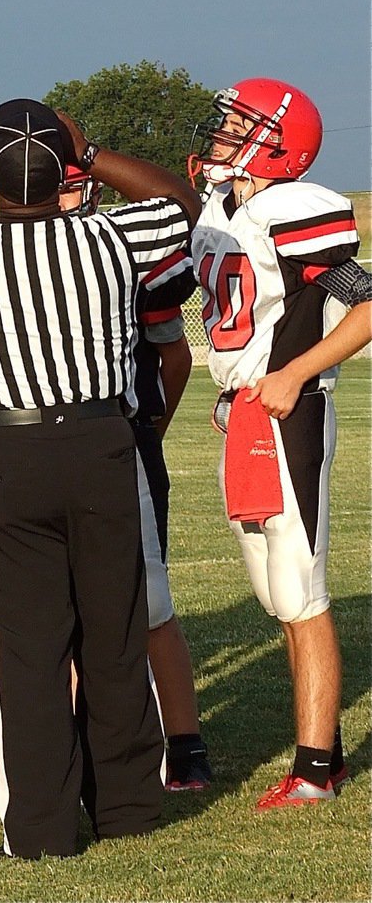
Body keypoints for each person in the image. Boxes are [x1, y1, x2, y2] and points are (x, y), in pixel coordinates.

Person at [0, 98, 201, 860]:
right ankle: (129, 808)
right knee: (113, 631)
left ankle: (39, 828)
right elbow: (179, 201)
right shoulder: (111, 237)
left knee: (26, 646)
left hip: (6, 451)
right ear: (67, 172)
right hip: (102, 440)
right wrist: (92, 151)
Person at [188, 77, 371, 809]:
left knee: (301, 591)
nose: (225, 133)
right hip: (247, 411)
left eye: (241, 123)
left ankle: (318, 770)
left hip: (287, 411)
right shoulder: (223, 208)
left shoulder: (297, 205)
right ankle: (316, 759)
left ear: (277, 140)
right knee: (274, 594)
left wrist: (293, 373)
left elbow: (365, 303)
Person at [60, 167, 211, 791]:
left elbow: (174, 356)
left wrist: (154, 427)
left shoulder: (118, 252)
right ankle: (79, 739)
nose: (63, 197)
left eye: (72, 185)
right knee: (64, 611)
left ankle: (186, 743)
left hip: (122, 439)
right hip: (62, 443)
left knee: (150, 604)